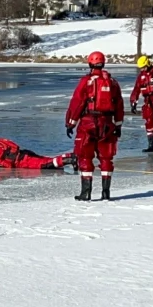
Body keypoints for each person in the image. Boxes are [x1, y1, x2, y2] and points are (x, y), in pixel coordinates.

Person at [65, 50, 124, 201]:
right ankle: (106, 192)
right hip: (107, 123)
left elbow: (77, 103)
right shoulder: (113, 83)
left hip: (88, 123)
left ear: (90, 63)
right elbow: (119, 105)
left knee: (85, 156)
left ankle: (86, 192)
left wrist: (70, 123)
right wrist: (118, 125)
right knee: (106, 158)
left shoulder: (86, 81)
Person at [0, 135, 74, 170]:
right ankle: (71, 156)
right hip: (23, 154)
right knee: (46, 160)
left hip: (23, 160)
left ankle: (69, 160)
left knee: (45, 164)